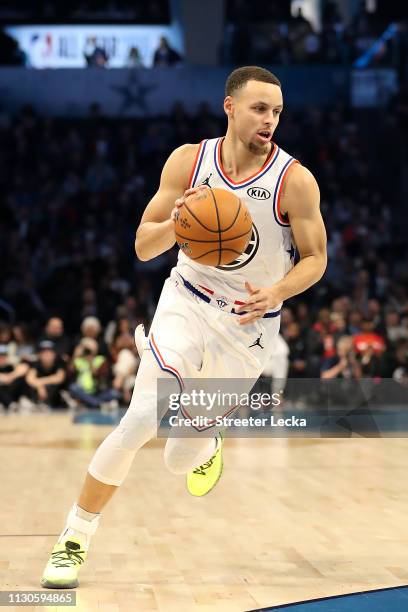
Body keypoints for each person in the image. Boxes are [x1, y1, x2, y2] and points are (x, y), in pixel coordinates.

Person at [41, 65, 327, 589]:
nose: (270, 121)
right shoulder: (190, 161)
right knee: (140, 418)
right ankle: (74, 538)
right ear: (230, 106)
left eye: (278, 112)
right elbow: (143, 246)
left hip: (247, 327)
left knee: (177, 460)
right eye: (261, 109)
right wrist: (179, 223)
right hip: (186, 301)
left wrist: (278, 290)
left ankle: (206, 440)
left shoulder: (294, 179)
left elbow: (316, 259)